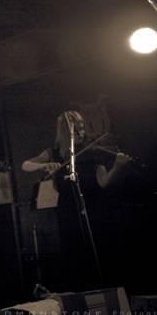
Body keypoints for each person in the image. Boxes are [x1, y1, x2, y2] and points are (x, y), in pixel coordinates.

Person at [21, 110, 132, 291]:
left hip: (93, 207)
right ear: (64, 132)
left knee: (98, 251)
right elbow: (25, 165)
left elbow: (103, 182)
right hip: (67, 210)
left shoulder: (92, 151)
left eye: (82, 128)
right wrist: (44, 165)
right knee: (74, 254)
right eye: (76, 129)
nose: (81, 132)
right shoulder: (54, 153)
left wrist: (118, 167)